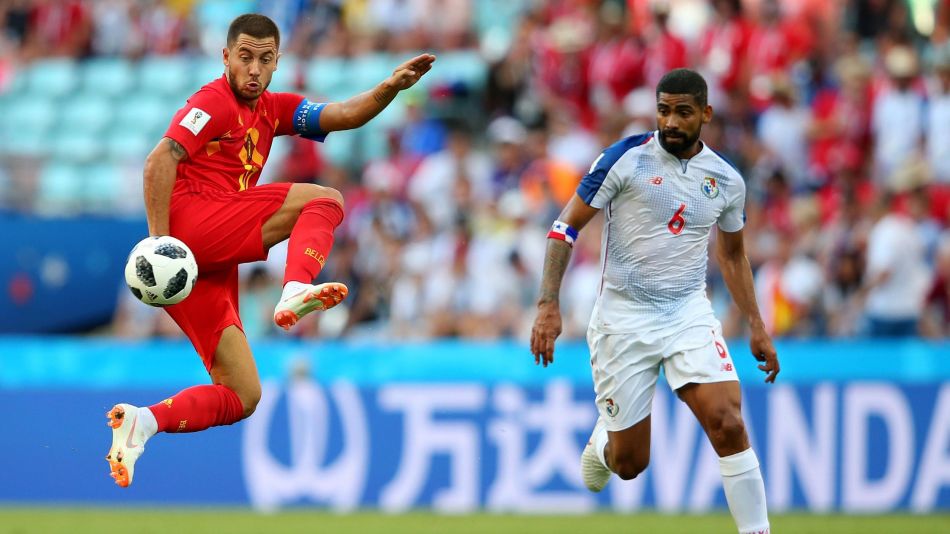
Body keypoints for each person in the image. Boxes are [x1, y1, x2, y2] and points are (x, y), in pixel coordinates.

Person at [104, 13, 434, 488]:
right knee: (326, 200)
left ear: (277, 61)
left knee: (242, 394)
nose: (254, 69)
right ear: (226, 58)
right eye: (245, 58)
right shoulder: (212, 101)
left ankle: (144, 423)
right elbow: (160, 159)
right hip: (190, 232)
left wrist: (389, 88)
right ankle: (296, 285)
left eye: (264, 59)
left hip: (199, 264)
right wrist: (160, 243)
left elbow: (341, 115)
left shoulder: (274, 109)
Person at [530, 69, 778, 534]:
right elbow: (565, 227)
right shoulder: (625, 159)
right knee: (629, 464)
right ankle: (605, 441)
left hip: (688, 312)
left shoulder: (726, 181)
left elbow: (732, 255)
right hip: (623, 320)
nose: (670, 122)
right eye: (664, 110)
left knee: (727, 422)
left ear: (705, 114)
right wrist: (547, 303)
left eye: (683, 112)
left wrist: (757, 324)